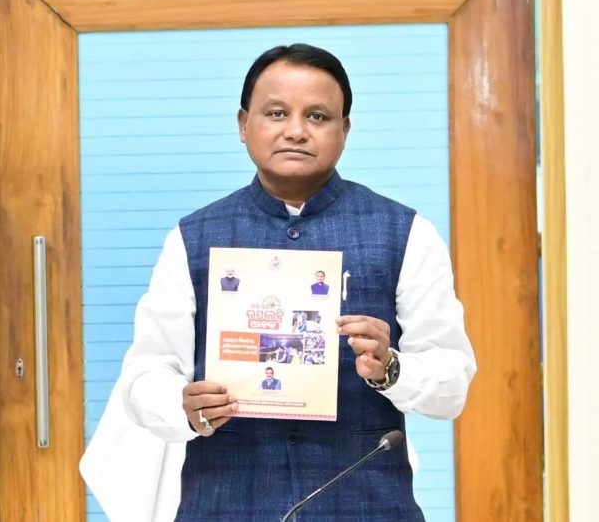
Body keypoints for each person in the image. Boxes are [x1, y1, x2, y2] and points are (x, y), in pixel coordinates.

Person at [82, 43, 478, 521]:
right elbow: (146, 374)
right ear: (243, 124)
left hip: (364, 503)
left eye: (317, 116)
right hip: (225, 503)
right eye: (276, 113)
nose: (295, 130)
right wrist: (181, 405)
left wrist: (391, 368)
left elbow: (451, 385)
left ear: (344, 130)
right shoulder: (193, 236)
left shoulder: (405, 232)